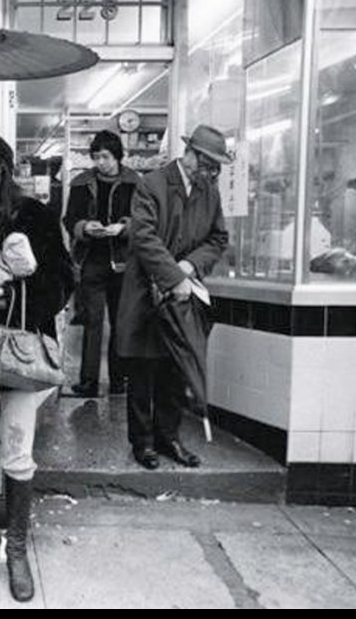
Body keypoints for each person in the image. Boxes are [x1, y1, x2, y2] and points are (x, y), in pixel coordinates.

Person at [0, 133, 74, 602]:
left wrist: (3, 297)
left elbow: (61, 280)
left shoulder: (33, 215)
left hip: (20, 348)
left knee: (18, 450)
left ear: (5, 166)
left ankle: (18, 549)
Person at [116, 125, 230, 471]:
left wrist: (190, 267)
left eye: (216, 167)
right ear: (190, 153)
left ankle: (169, 438)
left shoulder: (210, 193)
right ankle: (143, 443)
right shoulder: (151, 184)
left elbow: (217, 238)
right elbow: (144, 238)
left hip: (182, 296)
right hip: (144, 295)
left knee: (174, 371)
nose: (212, 173)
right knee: (142, 371)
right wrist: (173, 275)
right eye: (207, 164)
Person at [62, 130, 139, 398]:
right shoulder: (81, 183)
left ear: (117, 155)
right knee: (93, 321)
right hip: (91, 260)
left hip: (124, 262)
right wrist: (85, 227)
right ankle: (89, 382)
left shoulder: (135, 182)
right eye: (96, 157)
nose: (101, 162)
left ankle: (120, 380)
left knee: (122, 321)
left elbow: (144, 219)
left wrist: (124, 227)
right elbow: (69, 218)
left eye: (105, 156)